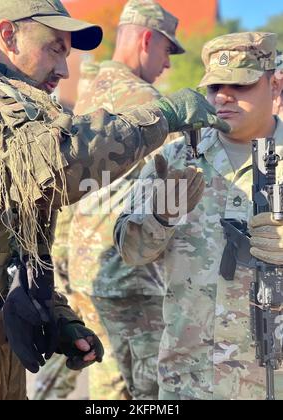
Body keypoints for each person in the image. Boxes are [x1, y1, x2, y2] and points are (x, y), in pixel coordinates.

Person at [0, 0, 228, 401]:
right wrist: (163, 113)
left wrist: (58, 318)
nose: (64, 70)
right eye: (55, 48)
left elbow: (14, 238)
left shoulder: (17, 111)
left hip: (2, 355)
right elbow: (58, 166)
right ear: (8, 35)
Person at [114, 31, 283, 400]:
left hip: (271, 379)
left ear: (274, 85)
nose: (223, 96)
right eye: (214, 86)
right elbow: (130, 252)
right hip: (189, 380)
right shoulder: (174, 160)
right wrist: (159, 218)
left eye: (240, 84)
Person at [34, 0, 185, 400]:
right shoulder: (144, 100)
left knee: (82, 372)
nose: (166, 64)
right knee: (126, 389)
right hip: (127, 273)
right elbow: (178, 177)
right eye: (167, 51)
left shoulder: (92, 88)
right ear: (148, 39)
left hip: (83, 266)